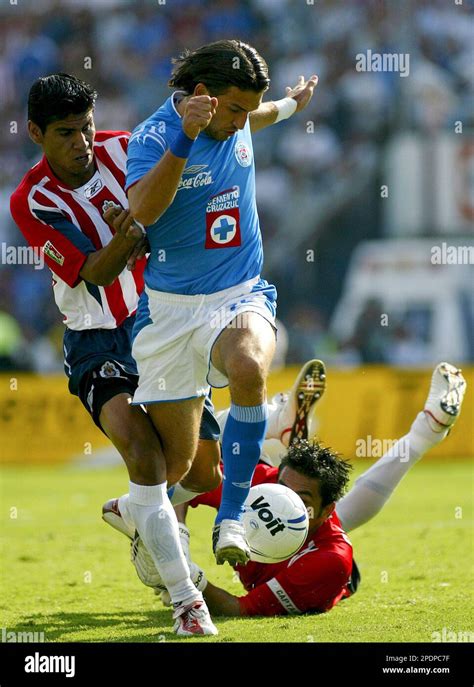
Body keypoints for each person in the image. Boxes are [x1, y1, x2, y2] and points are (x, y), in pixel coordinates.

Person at [9, 73, 223, 636]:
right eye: (64, 133)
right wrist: (132, 232)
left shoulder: (124, 149)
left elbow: (181, 174)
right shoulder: (31, 199)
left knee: (201, 471)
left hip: (158, 323)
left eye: (86, 127)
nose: (81, 142)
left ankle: (139, 514)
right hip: (96, 338)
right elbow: (97, 272)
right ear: (35, 133)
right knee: (143, 454)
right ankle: (185, 602)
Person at [125, 39, 319, 568]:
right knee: (188, 470)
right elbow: (141, 208)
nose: (242, 121)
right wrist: (185, 139)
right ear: (204, 96)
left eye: (247, 109)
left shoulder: (239, 119)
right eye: (234, 109)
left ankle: (231, 520)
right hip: (168, 312)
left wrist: (293, 104)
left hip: (239, 292)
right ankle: (143, 510)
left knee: (249, 366)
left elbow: (263, 113)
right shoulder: (153, 136)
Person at [115, 362, 466, 617]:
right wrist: (175, 540)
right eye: (285, 487)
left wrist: (187, 579)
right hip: (292, 499)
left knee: (335, 515)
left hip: (315, 574)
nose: (285, 501)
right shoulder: (262, 487)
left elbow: (240, 609)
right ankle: (424, 431)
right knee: (203, 450)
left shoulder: (329, 562)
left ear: (325, 510)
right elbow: (184, 478)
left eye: (302, 498)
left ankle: (281, 429)